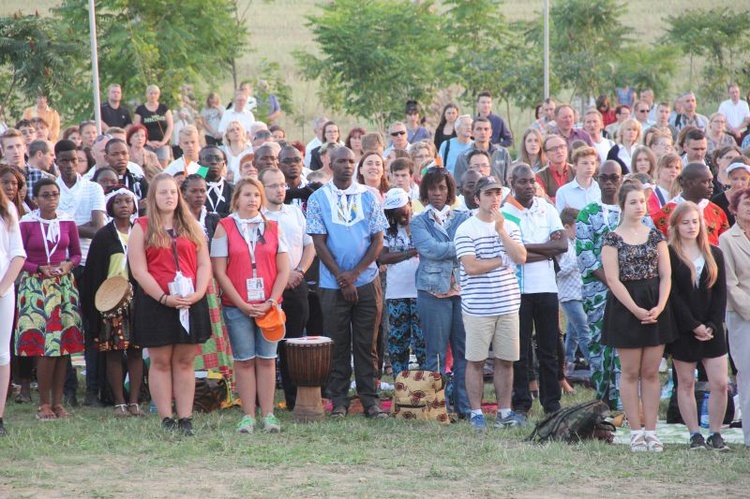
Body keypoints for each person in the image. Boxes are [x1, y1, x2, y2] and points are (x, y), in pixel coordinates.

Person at [306, 147, 389, 419]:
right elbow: (318, 242)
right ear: (330, 164)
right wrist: (342, 277)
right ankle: (339, 400)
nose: (347, 165)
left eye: (352, 161)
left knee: (367, 344)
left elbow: (378, 241)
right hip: (332, 285)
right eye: (342, 161)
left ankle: (370, 400)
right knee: (338, 343)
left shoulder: (369, 196)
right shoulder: (319, 198)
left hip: (366, 281)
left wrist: (354, 274)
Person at [128, 173, 212, 435]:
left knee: (186, 360)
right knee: (161, 361)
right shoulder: (141, 226)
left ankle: (185, 418)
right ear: (153, 197)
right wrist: (164, 298)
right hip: (157, 302)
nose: (169, 197)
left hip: (190, 299)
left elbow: (203, 263)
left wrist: (198, 294)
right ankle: (166, 418)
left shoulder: (191, 225)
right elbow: (139, 271)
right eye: (163, 192)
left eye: (173, 192)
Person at [600, 181, 676, 452]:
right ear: (622, 205)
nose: (638, 207)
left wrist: (659, 305)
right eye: (632, 202)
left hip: (655, 304)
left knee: (651, 373)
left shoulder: (655, 235)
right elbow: (612, 278)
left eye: (641, 202)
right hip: (626, 306)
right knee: (630, 372)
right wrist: (635, 309)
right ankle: (635, 431)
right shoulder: (612, 238)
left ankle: (652, 431)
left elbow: (666, 274)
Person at [211, 177, 289, 433]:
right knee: (244, 360)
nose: (252, 199)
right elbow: (219, 271)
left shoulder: (274, 227)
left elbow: (283, 267)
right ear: (237, 199)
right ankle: (248, 415)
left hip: (269, 307)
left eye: (256, 195)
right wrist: (242, 304)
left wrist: (271, 300)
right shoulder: (224, 227)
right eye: (247, 195)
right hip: (237, 306)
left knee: (267, 359)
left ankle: (268, 414)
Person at [455, 176, 527, 431]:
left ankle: (504, 412)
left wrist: (501, 231)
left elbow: (520, 257)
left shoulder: (509, 226)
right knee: (475, 361)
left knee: (506, 360)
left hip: (507, 305)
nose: (494, 198)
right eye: (488, 194)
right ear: (477, 199)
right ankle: (476, 413)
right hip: (478, 308)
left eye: (497, 193)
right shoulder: (466, 229)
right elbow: (471, 266)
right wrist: (500, 260)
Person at [17, 178, 84, 421]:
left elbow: (76, 253)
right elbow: (17, 256)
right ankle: (43, 403)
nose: (51, 199)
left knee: (63, 345)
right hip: (36, 286)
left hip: (63, 285)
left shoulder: (67, 220)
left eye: (55, 194)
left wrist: (68, 264)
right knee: (45, 346)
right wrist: (37, 268)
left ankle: (58, 403)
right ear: (36, 199)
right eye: (45, 195)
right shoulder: (27, 223)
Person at [503, 165, 567, 417]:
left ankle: (551, 403)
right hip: (516, 289)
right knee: (519, 349)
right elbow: (511, 255)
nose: (528, 186)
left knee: (548, 347)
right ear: (512, 183)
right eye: (522, 182)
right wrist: (543, 250)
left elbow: (561, 245)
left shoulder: (547, 208)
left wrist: (524, 249)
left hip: (546, 288)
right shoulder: (505, 213)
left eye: (531, 181)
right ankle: (521, 402)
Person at [667, 202, 729, 450]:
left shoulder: (715, 254)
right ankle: (694, 434)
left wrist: (713, 324)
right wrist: (693, 325)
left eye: (694, 221)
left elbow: (720, 294)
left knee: (720, 383)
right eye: (685, 222)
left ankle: (715, 432)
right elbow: (673, 295)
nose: (691, 226)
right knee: (686, 383)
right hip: (684, 330)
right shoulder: (670, 254)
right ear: (676, 226)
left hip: (712, 328)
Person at [81, 186, 145, 417]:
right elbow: (93, 273)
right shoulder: (104, 236)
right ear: (110, 206)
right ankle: (119, 401)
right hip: (110, 302)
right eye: (119, 201)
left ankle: (135, 401)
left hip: (138, 299)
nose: (124, 205)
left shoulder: (141, 231)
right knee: (114, 351)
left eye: (128, 201)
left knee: (137, 350)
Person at [411, 167, 470, 417]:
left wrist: (453, 247)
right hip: (432, 291)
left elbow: (447, 248)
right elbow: (430, 250)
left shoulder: (464, 217)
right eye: (433, 188)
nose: (437, 193)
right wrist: (459, 246)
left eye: (442, 188)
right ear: (425, 191)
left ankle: (466, 407)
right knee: (434, 352)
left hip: (463, 291)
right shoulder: (418, 220)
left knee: (464, 352)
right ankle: (437, 408)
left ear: (449, 191)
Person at [260, 168, 315, 411]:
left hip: (295, 283)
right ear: (262, 188)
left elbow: (309, 245)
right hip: (267, 289)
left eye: (282, 184)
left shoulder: (294, 212)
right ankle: (261, 400)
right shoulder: (256, 215)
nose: (279, 189)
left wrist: (300, 271)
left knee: (293, 342)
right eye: (273, 185)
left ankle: (294, 400)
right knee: (269, 344)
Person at [379, 188, 424, 376]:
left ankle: (426, 383)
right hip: (396, 292)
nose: (401, 216)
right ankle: (401, 385)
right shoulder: (386, 229)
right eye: (395, 212)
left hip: (421, 291)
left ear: (410, 204)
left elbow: (428, 249)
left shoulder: (421, 223)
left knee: (422, 340)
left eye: (403, 210)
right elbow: (384, 257)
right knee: (398, 341)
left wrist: (411, 232)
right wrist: (412, 252)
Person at [718, 187, 750, 448]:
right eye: (746, 203)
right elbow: (730, 283)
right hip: (741, 315)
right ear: (735, 208)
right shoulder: (728, 239)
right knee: (747, 373)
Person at [0, 185, 26, 435]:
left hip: (3, 291)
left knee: (2, 355)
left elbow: (18, 254)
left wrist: (2, 288)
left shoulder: (7, 209)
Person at [653, 163, 729, 246]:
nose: (712, 186)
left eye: (711, 181)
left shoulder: (717, 212)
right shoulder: (665, 214)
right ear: (690, 184)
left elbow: (725, 245)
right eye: (705, 182)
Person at [556, 207, 591, 370]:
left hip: (580, 293)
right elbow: (559, 271)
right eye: (578, 226)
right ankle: (595, 364)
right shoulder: (561, 246)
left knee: (573, 332)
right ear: (567, 227)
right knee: (584, 330)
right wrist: (578, 260)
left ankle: (568, 360)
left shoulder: (577, 243)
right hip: (568, 296)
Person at [453, 118, 512, 187]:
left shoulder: (503, 153)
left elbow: (510, 180)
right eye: (479, 129)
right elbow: (458, 185)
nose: (483, 132)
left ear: (491, 133)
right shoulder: (463, 157)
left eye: (486, 129)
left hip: (500, 195)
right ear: (472, 132)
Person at [134, 84, 174, 167]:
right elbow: (136, 127)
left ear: (158, 95)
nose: (153, 95)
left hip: (162, 144)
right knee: (147, 167)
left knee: (162, 168)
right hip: (147, 144)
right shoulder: (140, 109)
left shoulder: (164, 108)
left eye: (155, 93)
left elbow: (170, 125)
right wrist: (148, 142)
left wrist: (163, 142)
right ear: (146, 94)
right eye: (150, 93)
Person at [555, 146, 601, 212]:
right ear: (575, 166)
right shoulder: (563, 192)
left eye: (592, 163)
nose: (589, 167)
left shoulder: (600, 189)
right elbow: (560, 219)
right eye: (585, 163)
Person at [535, 135, 573, 201]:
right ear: (546, 154)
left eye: (562, 147)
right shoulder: (540, 176)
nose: (559, 151)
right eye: (554, 149)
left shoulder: (577, 170)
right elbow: (542, 200)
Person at [199, 146, 233, 217]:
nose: (214, 162)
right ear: (199, 164)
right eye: (208, 158)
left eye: (218, 159)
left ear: (223, 164)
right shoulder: (193, 189)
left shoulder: (233, 189)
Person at [714, 161, 750, 226]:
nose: (739, 184)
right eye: (735, 179)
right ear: (729, 178)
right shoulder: (718, 200)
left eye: (743, 179)